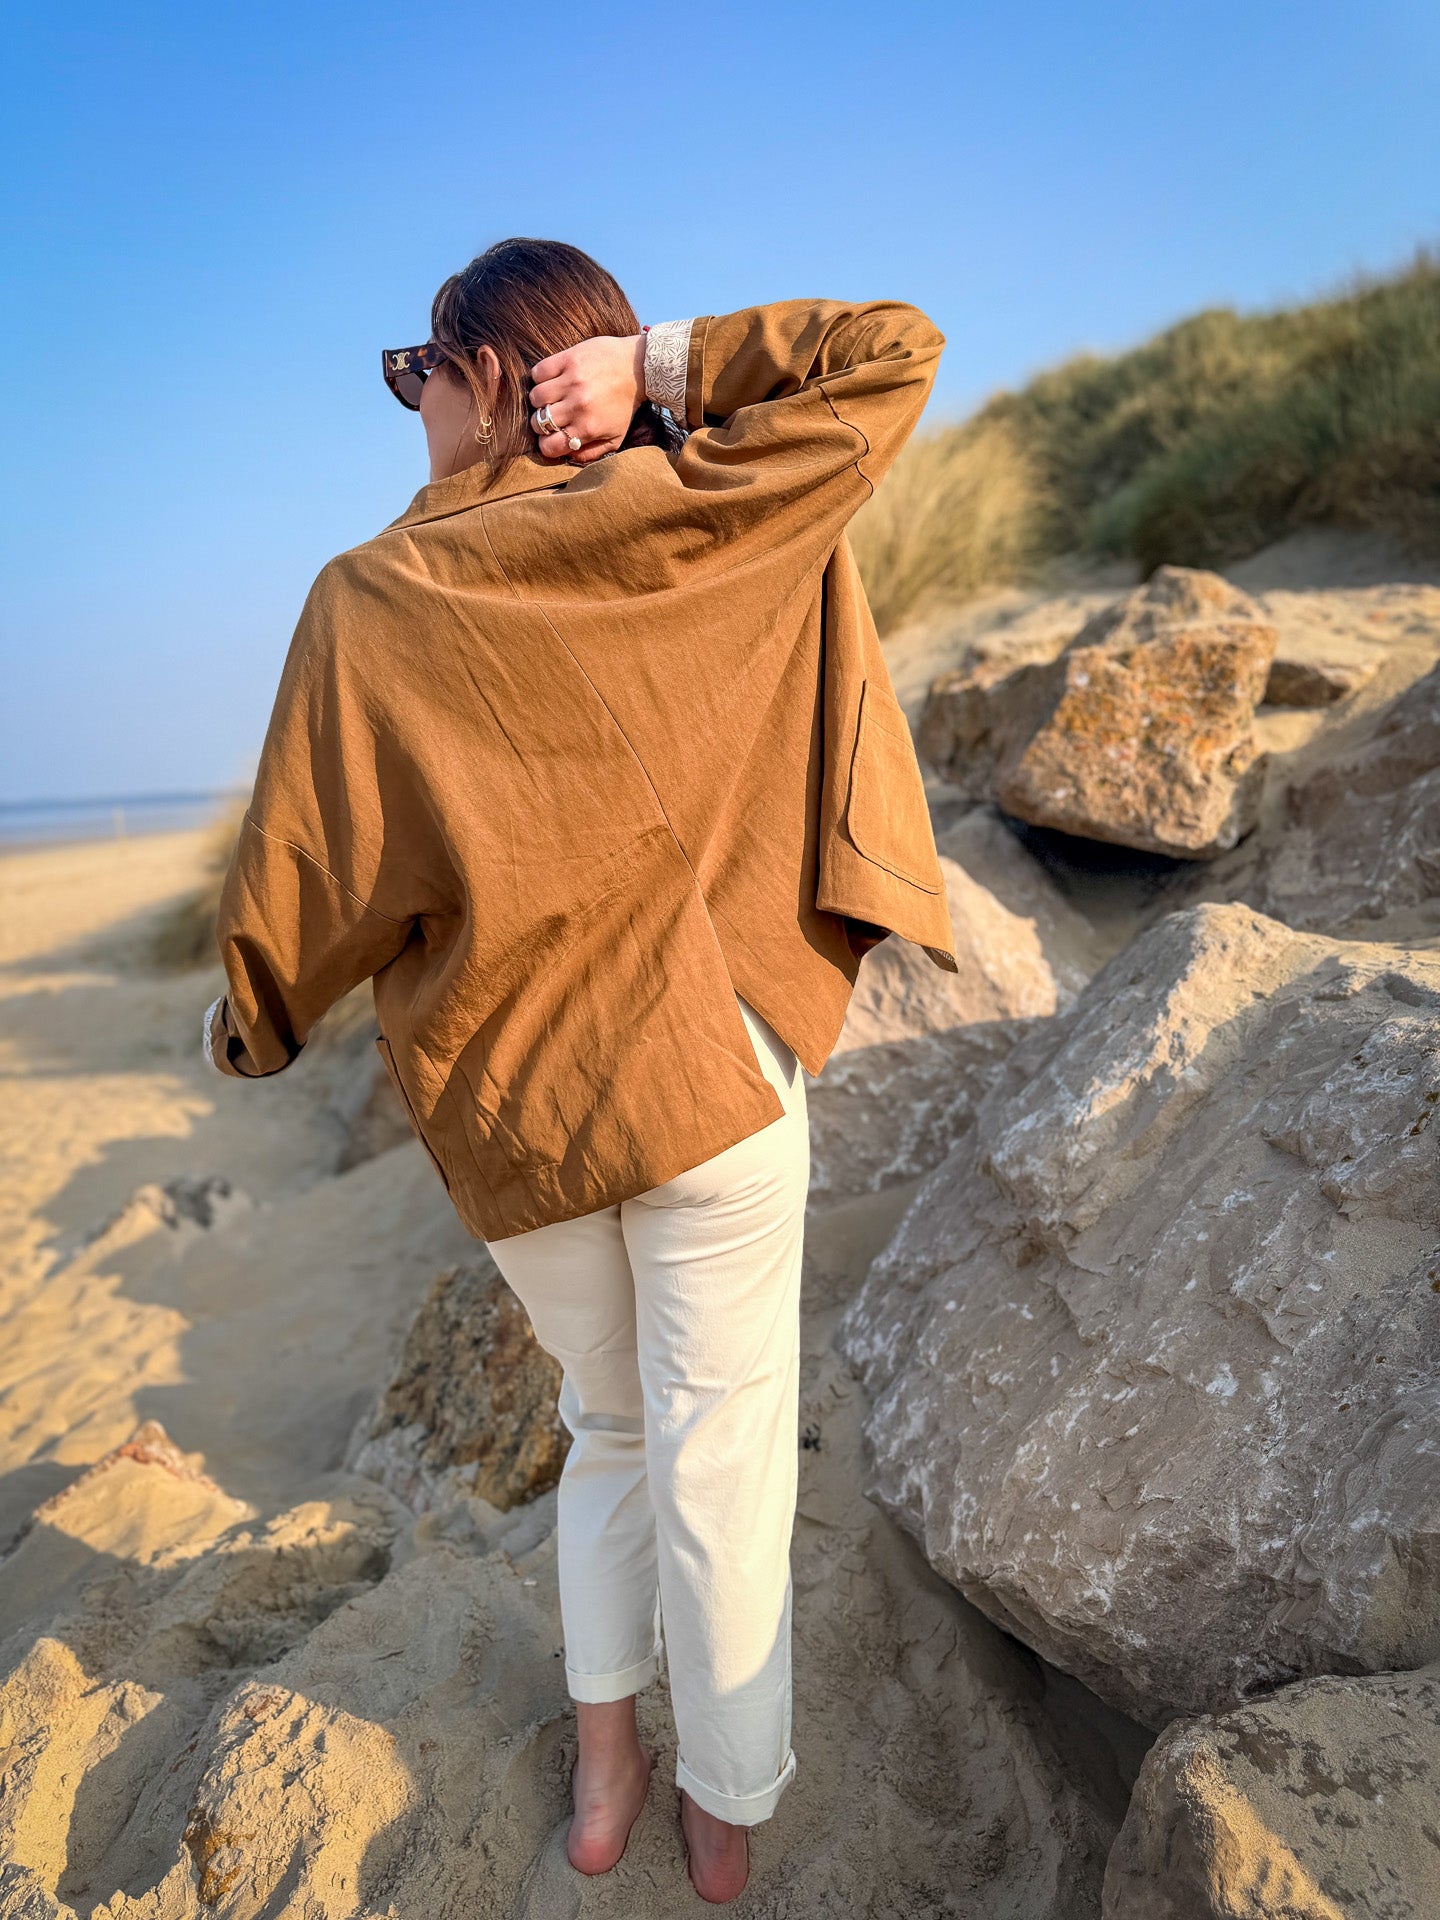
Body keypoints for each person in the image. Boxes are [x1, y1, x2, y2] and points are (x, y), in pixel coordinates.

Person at [201, 237, 957, 1904]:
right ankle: (726, 1805)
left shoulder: (369, 598)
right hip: (711, 1073)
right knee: (722, 1449)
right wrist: (666, 372)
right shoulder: (697, 506)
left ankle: (605, 1768)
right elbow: (893, 349)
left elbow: (310, 888)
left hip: (524, 1116)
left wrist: (243, 1026)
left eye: (415, 373)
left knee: (608, 1428)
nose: (409, 408)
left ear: (485, 375)